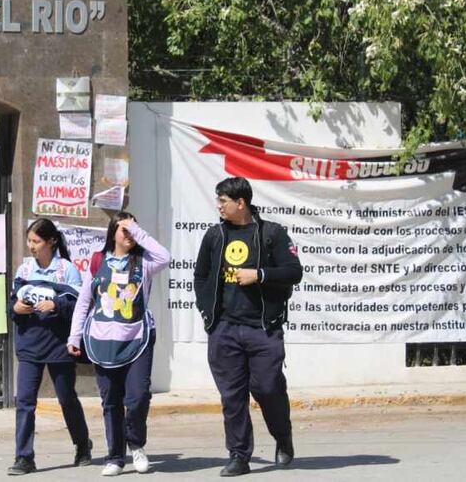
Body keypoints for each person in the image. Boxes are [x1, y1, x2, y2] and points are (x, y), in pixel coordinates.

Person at [193, 177, 303, 477]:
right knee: (232, 396)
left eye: (223, 201)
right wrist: (208, 316)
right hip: (224, 330)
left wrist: (260, 275)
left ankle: (283, 436)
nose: (219, 206)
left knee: (268, 388)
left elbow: (295, 272)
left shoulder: (271, 233)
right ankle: (239, 455)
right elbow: (200, 276)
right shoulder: (215, 235)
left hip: (263, 329)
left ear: (240, 203)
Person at [68, 212, 170, 477]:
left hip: (137, 338)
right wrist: (74, 337)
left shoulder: (144, 262)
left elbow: (165, 256)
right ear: (113, 232)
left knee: (137, 397)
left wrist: (138, 231)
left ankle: (136, 444)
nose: (130, 235)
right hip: (102, 340)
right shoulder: (98, 261)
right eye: (125, 229)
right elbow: (83, 303)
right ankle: (115, 456)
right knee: (111, 400)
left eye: (134, 230)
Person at [8, 218, 93, 476]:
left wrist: (57, 305)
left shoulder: (67, 270)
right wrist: (16, 308)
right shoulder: (24, 270)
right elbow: (12, 304)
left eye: (36, 241)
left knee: (66, 398)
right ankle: (24, 457)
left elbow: (80, 307)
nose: (31, 246)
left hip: (58, 345)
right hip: (29, 345)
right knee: (24, 401)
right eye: (29, 241)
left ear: (51, 241)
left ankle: (82, 445)